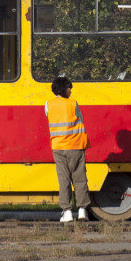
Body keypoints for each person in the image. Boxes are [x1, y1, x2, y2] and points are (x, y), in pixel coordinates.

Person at [45, 77, 91, 222]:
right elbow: (81, 120)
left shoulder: (48, 104)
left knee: (63, 180)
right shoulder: (73, 103)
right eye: (69, 88)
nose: (70, 91)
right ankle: (83, 211)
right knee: (79, 179)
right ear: (64, 88)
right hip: (76, 147)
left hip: (58, 148)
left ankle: (67, 212)